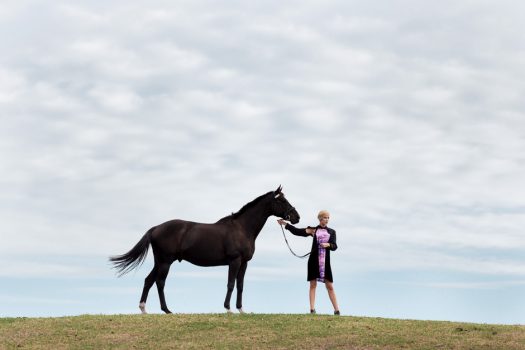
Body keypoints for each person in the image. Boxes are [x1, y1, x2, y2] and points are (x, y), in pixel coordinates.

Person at [278, 210, 340, 315]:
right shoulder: (313, 230)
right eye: (325, 217)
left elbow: (335, 246)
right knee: (313, 284)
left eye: (328, 218)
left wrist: (328, 245)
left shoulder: (332, 232)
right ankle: (312, 309)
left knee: (329, 285)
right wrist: (285, 224)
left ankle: (337, 310)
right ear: (320, 219)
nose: (327, 219)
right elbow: (297, 231)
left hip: (325, 262)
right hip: (313, 261)